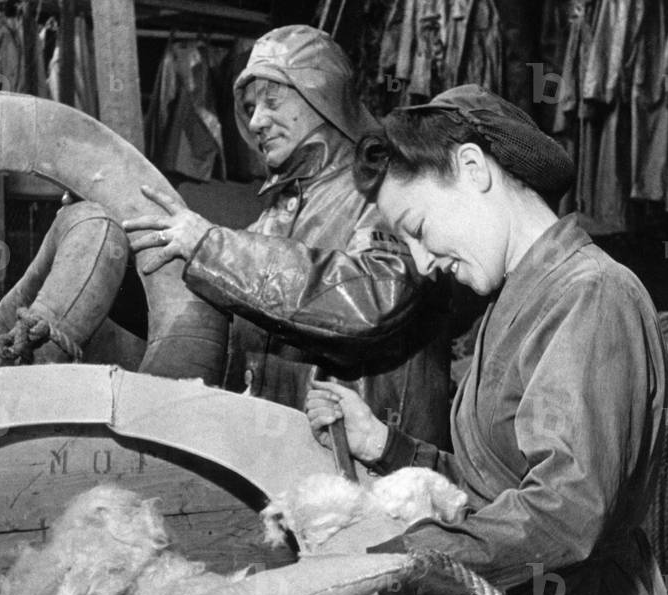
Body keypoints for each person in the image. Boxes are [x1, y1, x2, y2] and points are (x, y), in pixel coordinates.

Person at [306, 84, 668, 595]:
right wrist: (386, 445)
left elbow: (564, 512)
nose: (422, 264)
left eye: (419, 229)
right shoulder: (512, 299)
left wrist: (396, 563)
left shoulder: (590, 294)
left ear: (473, 168)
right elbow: (498, 488)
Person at [124, 25, 451, 449]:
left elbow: (374, 299)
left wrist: (210, 246)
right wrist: (118, 252)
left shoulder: (384, 190)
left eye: (272, 101)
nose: (257, 121)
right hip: (295, 465)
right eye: (249, 107)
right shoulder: (277, 216)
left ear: (324, 96)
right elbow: (205, 318)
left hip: (378, 472)